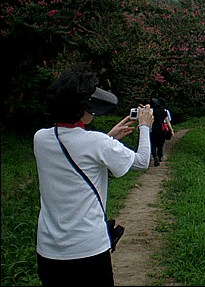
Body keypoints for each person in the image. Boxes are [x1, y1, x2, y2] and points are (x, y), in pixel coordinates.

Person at [33, 63, 154, 286]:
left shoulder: (40, 139)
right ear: (82, 108)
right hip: (88, 252)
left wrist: (109, 138)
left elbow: (77, 150)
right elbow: (142, 161)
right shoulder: (97, 143)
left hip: (49, 253)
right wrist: (144, 126)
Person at [150, 97, 174, 166]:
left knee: (153, 144)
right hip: (162, 130)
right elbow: (167, 121)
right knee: (161, 144)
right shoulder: (164, 112)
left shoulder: (153, 111)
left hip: (155, 129)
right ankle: (160, 157)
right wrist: (171, 130)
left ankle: (155, 157)